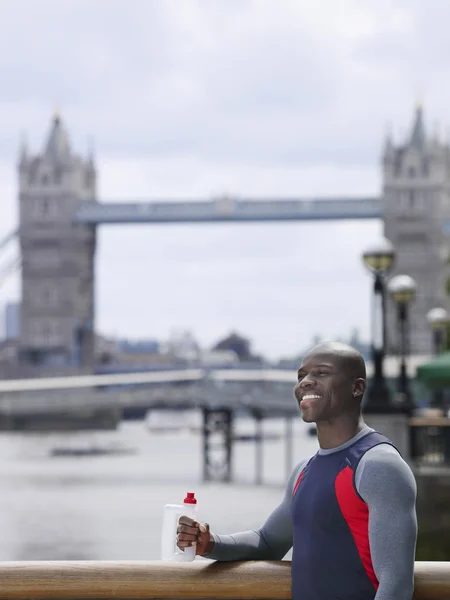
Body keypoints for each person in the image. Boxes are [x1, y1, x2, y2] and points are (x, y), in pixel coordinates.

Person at [176, 341, 418, 600]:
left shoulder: (377, 465)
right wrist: (210, 542)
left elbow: (396, 585)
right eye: (301, 376)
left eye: (321, 373)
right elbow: (268, 542)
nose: (306, 382)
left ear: (357, 387)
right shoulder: (304, 471)